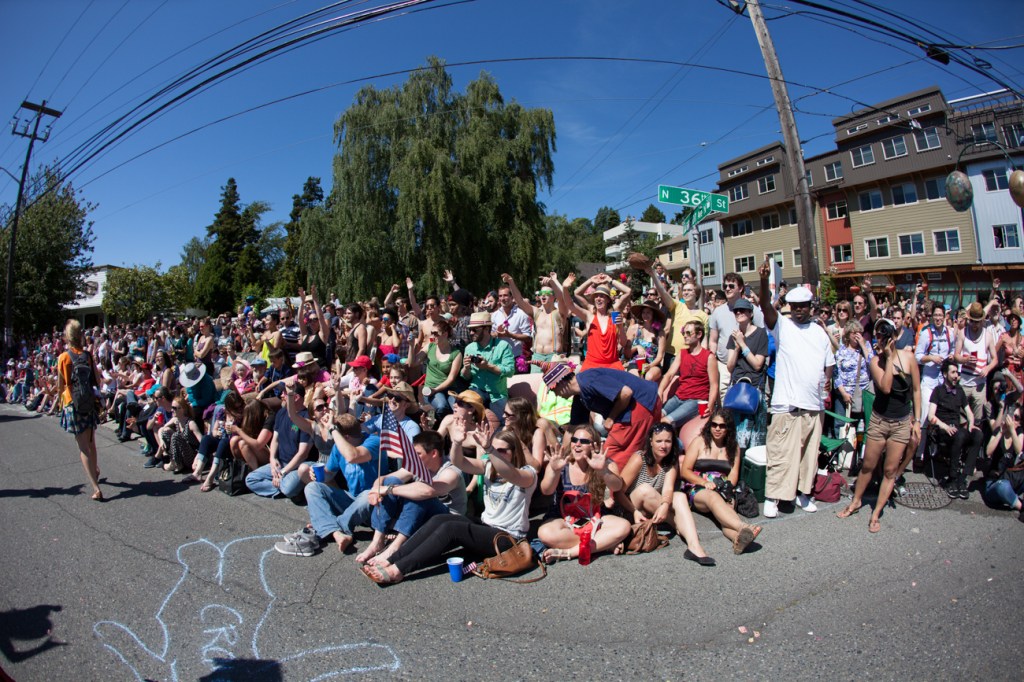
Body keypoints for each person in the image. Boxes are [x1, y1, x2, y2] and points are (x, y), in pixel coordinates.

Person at [360, 419, 537, 585]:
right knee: (440, 519)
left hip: (507, 539)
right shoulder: (489, 467)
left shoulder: (528, 474)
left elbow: (510, 474)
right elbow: (459, 462)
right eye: (495, 449)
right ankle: (391, 559)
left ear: (515, 452)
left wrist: (489, 449)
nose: (496, 453)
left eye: (502, 450)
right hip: (486, 527)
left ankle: (397, 570)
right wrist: (457, 443)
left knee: (451, 528)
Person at [757, 259, 835, 519]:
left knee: (808, 457)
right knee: (781, 454)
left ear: (811, 307)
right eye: (795, 306)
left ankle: (803, 493)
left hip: (814, 405)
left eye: (804, 306)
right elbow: (765, 306)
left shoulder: (820, 333)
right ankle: (773, 497)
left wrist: (827, 382)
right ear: (789, 307)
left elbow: (829, 363)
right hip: (787, 405)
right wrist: (764, 281)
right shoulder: (782, 326)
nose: (799, 310)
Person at [837, 319, 921, 531]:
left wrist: (918, 420)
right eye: (879, 335)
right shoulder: (875, 361)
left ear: (894, 336)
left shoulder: (909, 358)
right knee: (868, 465)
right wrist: (889, 357)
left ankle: (876, 514)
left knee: (890, 470)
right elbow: (885, 387)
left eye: (885, 334)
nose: (882, 339)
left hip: (901, 423)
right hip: (879, 420)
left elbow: (916, 390)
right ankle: (856, 501)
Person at [536, 424, 631, 564]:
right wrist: (555, 471)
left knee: (623, 526)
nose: (577, 444)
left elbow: (617, 486)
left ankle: (569, 552)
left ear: (594, 445)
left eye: (584, 441)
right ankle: (603, 543)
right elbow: (546, 490)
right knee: (545, 532)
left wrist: (603, 471)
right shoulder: (560, 462)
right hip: (564, 518)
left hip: (596, 517)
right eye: (574, 440)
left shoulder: (604, 463)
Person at [546, 363, 662, 470]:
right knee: (630, 454)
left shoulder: (588, 380)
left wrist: (611, 418)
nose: (555, 394)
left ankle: (617, 486)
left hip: (641, 403)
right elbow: (572, 429)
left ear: (561, 383)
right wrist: (563, 457)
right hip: (638, 407)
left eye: (553, 390)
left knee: (610, 458)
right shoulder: (580, 397)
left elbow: (626, 393)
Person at [678, 409, 762, 554]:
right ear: (709, 425)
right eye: (714, 425)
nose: (717, 429)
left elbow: (733, 474)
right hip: (699, 487)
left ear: (728, 428)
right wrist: (703, 482)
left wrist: (728, 487)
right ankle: (743, 526)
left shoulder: (733, 447)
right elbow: (685, 470)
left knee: (726, 515)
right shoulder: (699, 442)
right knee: (713, 497)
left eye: (722, 426)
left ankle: (737, 539)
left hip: (723, 487)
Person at [56, 319, 103, 501]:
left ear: (67, 337)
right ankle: (95, 470)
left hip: (72, 402)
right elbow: (97, 380)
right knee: (91, 442)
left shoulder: (64, 357)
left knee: (83, 447)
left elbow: (61, 385)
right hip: (88, 401)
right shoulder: (87, 355)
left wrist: (59, 401)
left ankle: (95, 487)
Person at [925, 359, 984, 499]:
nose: (956, 375)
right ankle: (952, 478)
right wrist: (945, 427)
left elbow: (969, 412)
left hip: (957, 430)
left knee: (978, 435)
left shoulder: (960, 391)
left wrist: (971, 423)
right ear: (945, 374)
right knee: (960, 435)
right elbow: (931, 416)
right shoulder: (938, 391)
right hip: (943, 430)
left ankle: (962, 478)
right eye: (953, 372)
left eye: (957, 372)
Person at [245, 388, 313, 499]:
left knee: (288, 488)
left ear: (296, 397)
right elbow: (275, 440)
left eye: (285, 393)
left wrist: (282, 473)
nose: (281, 395)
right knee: (250, 479)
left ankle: (288, 487)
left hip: (297, 466)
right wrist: (272, 459)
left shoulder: (306, 418)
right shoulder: (281, 412)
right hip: (280, 463)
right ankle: (284, 487)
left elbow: (303, 454)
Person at [709, 272, 764, 395]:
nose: (727, 289)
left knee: (746, 400)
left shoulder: (752, 310)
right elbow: (713, 340)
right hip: (723, 365)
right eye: (725, 286)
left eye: (731, 286)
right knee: (724, 400)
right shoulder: (717, 312)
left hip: (747, 367)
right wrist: (713, 360)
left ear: (740, 288)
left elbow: (761, 335)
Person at [724, 297, 769, 450]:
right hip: (737, 387)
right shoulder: (733, 336)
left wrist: (742, 344)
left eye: (742, 310)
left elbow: (757, 364)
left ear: (751, 313)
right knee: (735, 435)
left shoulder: (761, 333)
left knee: (755, 437)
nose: (739, 313)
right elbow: (730, 367)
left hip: (754, 388)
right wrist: (736, 348)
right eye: (736, 311)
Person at [501, 273, 568, 369]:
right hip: (537, 357)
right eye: (540, 293)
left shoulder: (560, 313)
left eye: (547, 293)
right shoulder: (536, 312)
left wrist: (552, 282)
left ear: (554, 297)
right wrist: (511, 282)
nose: (543, 295)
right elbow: (519, 300)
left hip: (554, 357)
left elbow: (562, 299)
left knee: (554, 380)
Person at [659, 320, 717, 429]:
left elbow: (714, 384)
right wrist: (660, 391)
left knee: (665, 422)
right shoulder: (682, 353)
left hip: (695, 400)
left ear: (699, 334)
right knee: (655, 416)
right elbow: (669, 375)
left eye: (688, 333)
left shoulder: (709, 357)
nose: (685, 336)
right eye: (683, 333)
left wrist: (710, 405)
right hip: (678, 397)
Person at [566, 275, 631, 372]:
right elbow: (576, 294)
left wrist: (610, 280)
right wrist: (590, 280)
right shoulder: (591, 313)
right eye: (596, 296)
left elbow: (628, 291)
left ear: (608, 299)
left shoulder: (614, 313)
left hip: (612, 365)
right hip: (592, 364)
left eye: (602, 296)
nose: (598, 298)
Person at [459, 312, 514, 421]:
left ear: (486, 329)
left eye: (475, 330)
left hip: (497, 393)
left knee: (506, 420)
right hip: (477, 389)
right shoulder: (470, 348)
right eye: (470, 329)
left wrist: (488, 366)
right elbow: (466, 376)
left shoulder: (503, 346)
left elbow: (510, 371)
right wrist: (466, 368)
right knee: (465, 414)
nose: (471, 333)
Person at [408, 317, 462, 420]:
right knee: (442, 406)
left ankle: (448, 427)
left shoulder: (456, 353)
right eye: (431, 333)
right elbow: (412, 364)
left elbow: (451, 378)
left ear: (445, 334)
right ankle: (436, 426)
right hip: (431, 388)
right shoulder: (430, 346)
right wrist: (411, 346)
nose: (432, 336)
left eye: (435, 333)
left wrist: (436, 390)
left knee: (457, 408)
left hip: (449, 389)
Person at [954, 301, 998, 421]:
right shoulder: (963, 333)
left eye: (977, 321)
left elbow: (995, 359)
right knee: (962, 419)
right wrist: (965, 360)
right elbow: (956, 355)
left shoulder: (987, 335)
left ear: (982, 320)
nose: (974, 324)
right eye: (972, 321)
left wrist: (987, 368)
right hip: (964, 382)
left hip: (980, 384)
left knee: (978, 419)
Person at [626, 300, 667, 382]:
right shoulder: (635, 328)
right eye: (643, 312)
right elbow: (626, 353)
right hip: (636, 362)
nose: (645, 315)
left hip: (653, 364)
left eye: (648, 312)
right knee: (637, 377)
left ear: (653, 314)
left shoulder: (660, 333)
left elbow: (660, 357)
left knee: (649, 377)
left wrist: (650, 366)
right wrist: (637, 347)